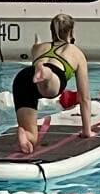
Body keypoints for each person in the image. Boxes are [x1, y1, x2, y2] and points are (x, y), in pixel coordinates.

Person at [11, 14, 93, 153]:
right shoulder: (76, 53)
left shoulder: (38, 48)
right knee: (49, 84)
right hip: (51, 78)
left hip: (24, 77)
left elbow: (35, 46)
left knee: (32, 138)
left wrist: (37, 45)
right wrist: (87, 131)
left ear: (51, 31)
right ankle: (45, 73)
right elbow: (84, 98)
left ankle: (24, 134)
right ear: (71, 32)